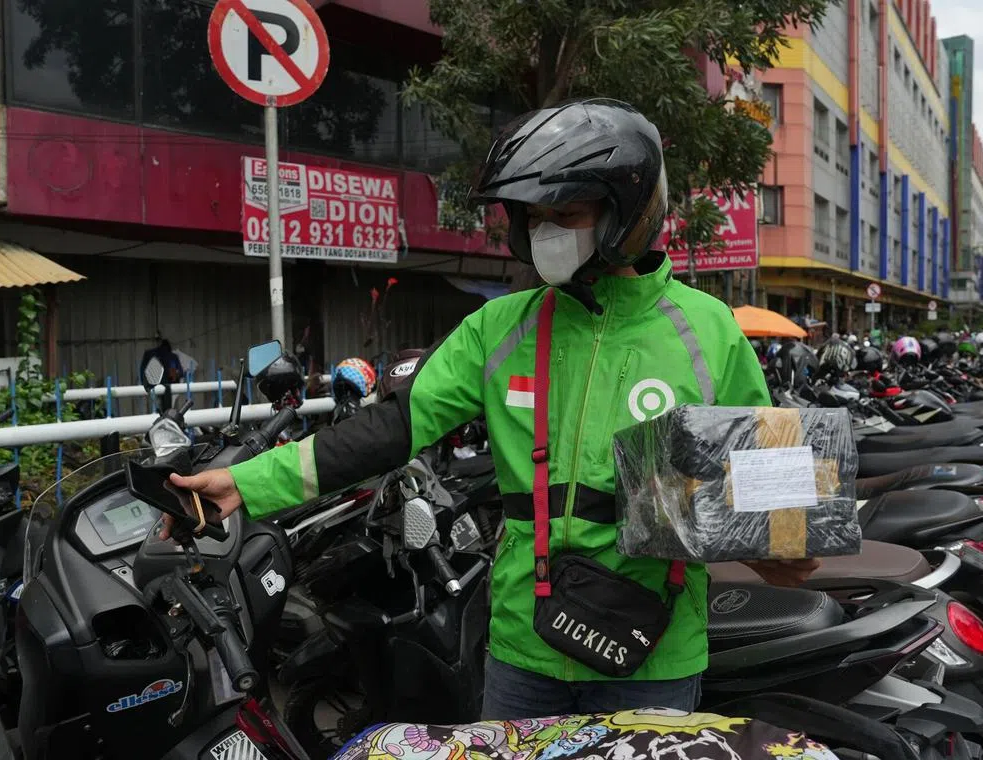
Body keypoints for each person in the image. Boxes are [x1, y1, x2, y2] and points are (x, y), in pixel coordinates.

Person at [161, 99, 816, 719]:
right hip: (523, 653)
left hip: (654, 658)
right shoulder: (498, 328)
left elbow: (774, 507)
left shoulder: (709, 331)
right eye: (532, 217)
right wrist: (241, 485)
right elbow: (392, 429)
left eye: (567, 212)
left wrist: (785, 541)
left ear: (629, 211)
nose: (544, 231)